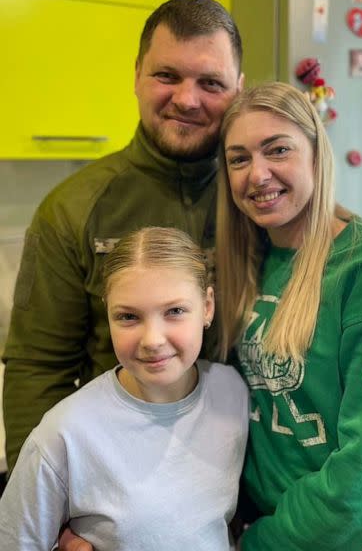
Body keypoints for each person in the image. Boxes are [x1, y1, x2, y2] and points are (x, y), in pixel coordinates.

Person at [3, 0, 362, 478]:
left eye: (210, 82)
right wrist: (50, 501)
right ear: (137, 75)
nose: (187, 99)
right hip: (118, 474)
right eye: (166, 76)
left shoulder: (257, 191)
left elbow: (360, 247)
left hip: (244, 471)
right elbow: (37, 369)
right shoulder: (73, 208)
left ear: (237, 89)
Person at [217, 82, 362, 551]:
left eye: (278, 150)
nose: (257, 174)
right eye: (239, 158)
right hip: (267, 521)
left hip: (350, 537)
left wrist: (262, 543)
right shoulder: (249, 258)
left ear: (316, 155)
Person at [0, 227, 249, 551]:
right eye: (129, 316)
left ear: (207, 307)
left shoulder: (232, 392)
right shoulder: (65, 434)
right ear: (108, 313)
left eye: (174, 311)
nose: (153, 340)